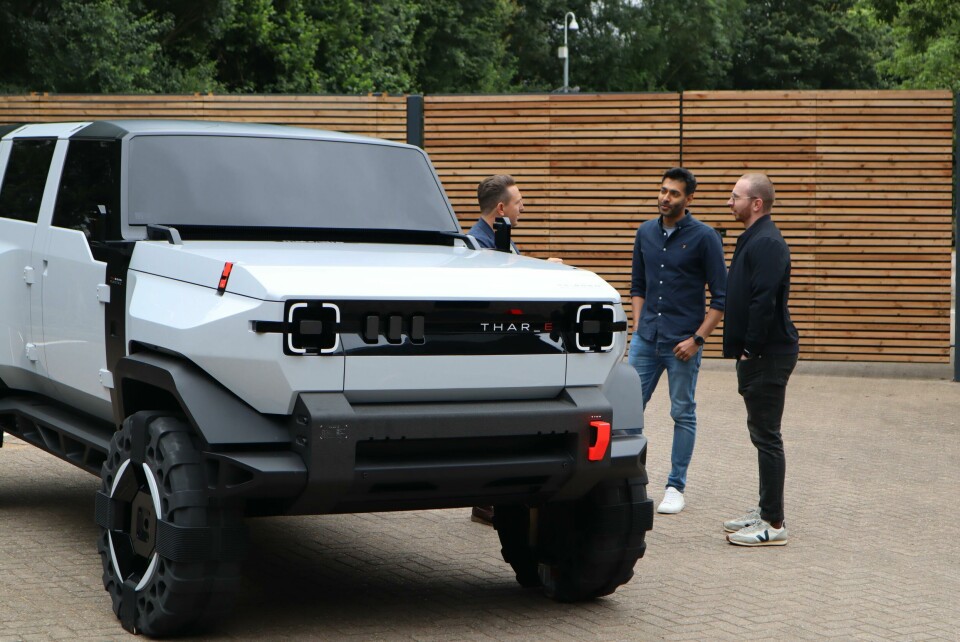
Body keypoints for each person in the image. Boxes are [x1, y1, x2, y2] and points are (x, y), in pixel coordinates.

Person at [629, 167, 727, 515]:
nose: (664, 198)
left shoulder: (705, 237)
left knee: (682, 412)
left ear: (689, 199)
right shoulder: (645, 233)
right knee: (626, 411)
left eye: (673, 193)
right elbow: (637, 286)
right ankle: (627, 478)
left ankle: (675, 486)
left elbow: (721, 298)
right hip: (645, 340)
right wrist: (638, 325)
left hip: (682, 344)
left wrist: (697, 340)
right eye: (662, 191)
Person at [721, 173, 800, 547]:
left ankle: (774, 522)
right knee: (761, 434)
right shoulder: (755, 238)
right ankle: (766, 507)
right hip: (759, 354)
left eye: (735, 197)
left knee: (767, 436)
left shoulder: (767, 242)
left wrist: (750, 349)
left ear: (756, 203)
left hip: (767, 355)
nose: (728, 202)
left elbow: (763, 301)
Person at [468, 174, 523, 252]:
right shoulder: (479, 246)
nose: (522, 208)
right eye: (517, 202)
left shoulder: (500, 237)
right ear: (501, 208)